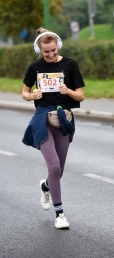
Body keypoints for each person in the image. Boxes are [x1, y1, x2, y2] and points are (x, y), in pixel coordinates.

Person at [22, 28, 85, 229]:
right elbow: (24, 92)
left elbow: (81, 96)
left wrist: (68, 91)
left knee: (59, 171)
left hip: (63, 118)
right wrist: (32, 96)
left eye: (53, 50)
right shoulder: (35, 67)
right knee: (54, 166)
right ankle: (60, 214)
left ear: (57, 46)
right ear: (39, 50)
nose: (50, 55)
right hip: (42, 118)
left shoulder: (70, 65)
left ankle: (46, 186)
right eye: (46, 52)